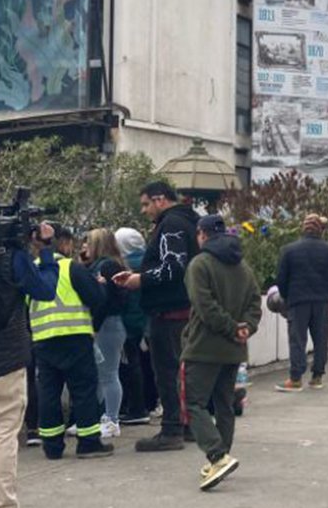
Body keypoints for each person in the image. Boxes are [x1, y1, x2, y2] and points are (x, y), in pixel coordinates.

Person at [0, 205, 58, 508]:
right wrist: (45, 251)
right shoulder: (11, 256)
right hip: (6, 362)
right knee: (4, 435)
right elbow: (44, 291)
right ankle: (1, 502)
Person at [114, 181, 198, 452]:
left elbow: (173, 266)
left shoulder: (171, 225)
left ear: (160, 200)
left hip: (169, 310)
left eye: (146, 204)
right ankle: (189, 425)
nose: (145, 210)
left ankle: (172, 428)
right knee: (182, 371)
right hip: (183, 308)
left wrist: (141, 279)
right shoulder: (188, 221)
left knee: (166, 370)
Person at [181, 215, 260, 491]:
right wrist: (245, 328)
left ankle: (217, 455)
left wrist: (229, 327)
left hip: (204, 347)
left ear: (202, 234)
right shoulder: (243, 267)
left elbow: (204, 306)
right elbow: (254, 304)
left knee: (194, 403)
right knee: (225, 404)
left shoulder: (199, 264)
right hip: (234, 349)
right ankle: (222, 454)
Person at [31, 225, 113, 460]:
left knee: (48, 392)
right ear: (63, 243)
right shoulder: (71, 268)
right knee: (83, 389)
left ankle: (52, 446)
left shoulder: (30, 271)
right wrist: (100, 287)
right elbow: (96, 299)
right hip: (75, 337)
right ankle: (88, 443)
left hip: (43, 340)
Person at [274, 214, 328, 393]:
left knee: (297, 339)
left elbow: (281, 279)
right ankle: (317, 376)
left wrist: (287, 297)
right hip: (321, 301)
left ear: (303, 229)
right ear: (320, 230)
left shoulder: (289, 250)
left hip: (297, 301)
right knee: (320, 339)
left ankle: (295, 379)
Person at [84, 229, 128, 438]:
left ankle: (112, 419)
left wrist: (94, 326)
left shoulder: (105, 267)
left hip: (106, 325)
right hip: (111, 324)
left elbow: (106, 300)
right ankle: (103, 417)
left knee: (108, 374)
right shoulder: (112, 265)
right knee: (104, 374)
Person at [114, 227, 154, 426]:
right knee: (145, 365)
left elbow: (128, 300)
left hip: (130, 323)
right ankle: (148, 403)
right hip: (146, 322)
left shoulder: (126, 266)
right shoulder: (149, 262)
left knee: (130, 365)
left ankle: (136, 407)